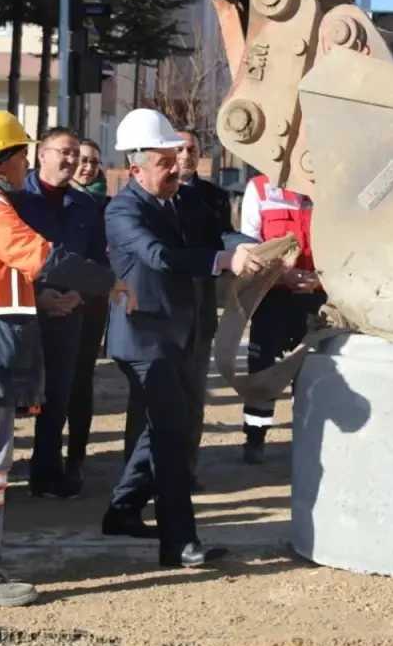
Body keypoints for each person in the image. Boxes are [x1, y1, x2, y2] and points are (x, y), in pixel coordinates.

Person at [0, 111, 132, 608]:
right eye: (21, 154)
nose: (25, 163)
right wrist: (107, 281)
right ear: (8, 159)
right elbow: (40, 257)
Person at [100, 108, 265, 569]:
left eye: (176, 157)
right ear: (135, 168)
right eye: (164, 161)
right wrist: (221, 261)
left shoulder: (184, 202)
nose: (176, 167)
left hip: (178, 334)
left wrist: (244, 247)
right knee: (172, 437)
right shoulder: (122, 210)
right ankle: (178, 542)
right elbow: (160, 256)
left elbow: (221, 233)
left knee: (163, 428)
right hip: (142, 339)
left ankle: (123, 507)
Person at [16, 127, 107, 499]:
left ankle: (47, 473)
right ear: (42, 155)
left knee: (58, 395)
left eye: (76, 154)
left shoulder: (85, 206)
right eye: (64, 153)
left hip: (69, 313)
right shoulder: (18, 199)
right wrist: (38, 296)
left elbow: (96, 260)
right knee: (13, 396)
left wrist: (74, 295)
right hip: (21, 313)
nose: (71, 161)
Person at [237, 172, 324, 463]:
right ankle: (255, 436)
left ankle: (307, 436)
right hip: (272, 297)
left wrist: (320, 279)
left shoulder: (327, 186)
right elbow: (251, 246)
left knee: (312, 370)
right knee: (263, 369)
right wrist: (281, 274)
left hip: (317, 298)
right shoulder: (260, 189)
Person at [170, 128, 234, 485]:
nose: (185, 155)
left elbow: (224, 236)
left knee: (194, 391)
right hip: (162, 307)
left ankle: (187, 468)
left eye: (191, 149)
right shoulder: (151, 195)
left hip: (201, 303)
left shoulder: (213, 197)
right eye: (178, 149)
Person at [66, 138, 108, 482]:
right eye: (82, 159)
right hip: (52, 302)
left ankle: (76, 456)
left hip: (91, 303)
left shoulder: (105, 205)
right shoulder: (53, 200)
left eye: (93, 161)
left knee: (81, 380)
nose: (87, 166)